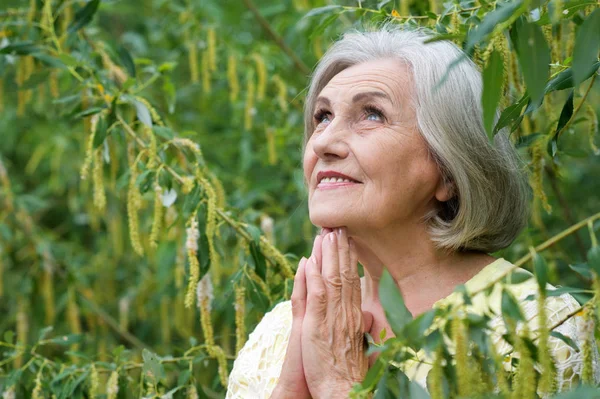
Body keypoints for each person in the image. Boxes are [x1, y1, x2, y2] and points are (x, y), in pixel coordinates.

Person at [225, 26, 597, 398]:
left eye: (371, 114)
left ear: (449, 169)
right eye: (322, 116)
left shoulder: (544, 328)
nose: (322, 142)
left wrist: (338, 385)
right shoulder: (274, 335)